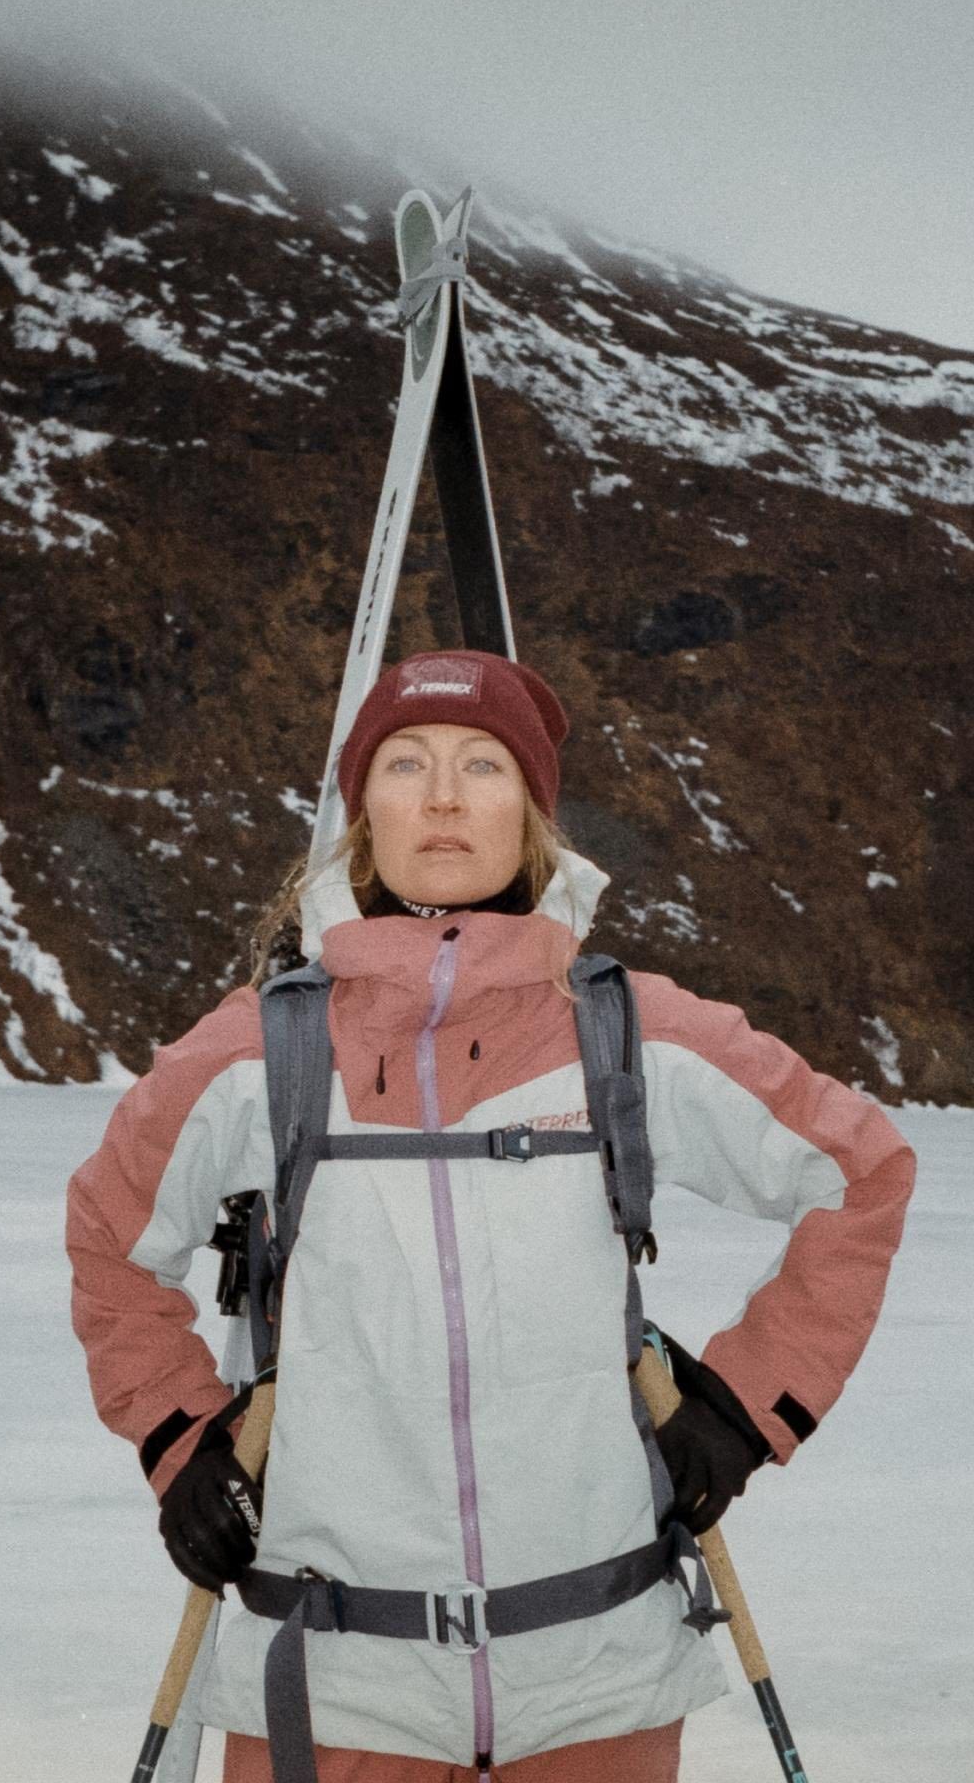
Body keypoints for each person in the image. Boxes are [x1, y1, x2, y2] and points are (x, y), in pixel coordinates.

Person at [67, 648, 916, 1783]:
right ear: (363, 812)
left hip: (595, 1683)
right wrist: (181, 1441)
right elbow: (111, 1239)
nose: (443, 797)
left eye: (483, 765)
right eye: (405, 764)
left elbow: (861, 1173)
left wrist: (745, 1408)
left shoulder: (631, 1033)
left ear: (532, 811)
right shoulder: (263, 1049)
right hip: (335, 1691)